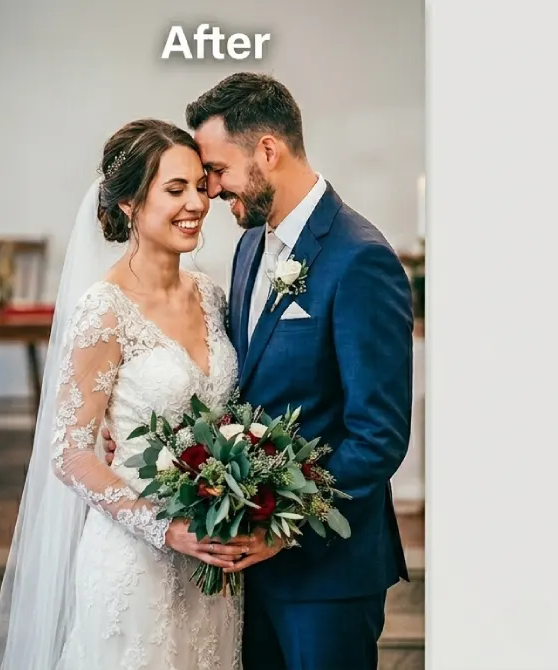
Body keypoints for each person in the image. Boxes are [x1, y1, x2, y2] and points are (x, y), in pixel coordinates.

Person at [103, 73, 414, 670]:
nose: (211, 191)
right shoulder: (250, 246)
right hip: (244, 572)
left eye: (217, 170)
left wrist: (282, 527)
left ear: (267, 150)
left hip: (326, 572)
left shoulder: (360, 258)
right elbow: (235, 386)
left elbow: (378, 436)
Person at [0, 118, 251, 670]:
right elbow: (69, 453)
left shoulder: (212, 296)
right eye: (174, 189)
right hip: (136, 561)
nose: (196, 203)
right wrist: (165, 528)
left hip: (211, 558)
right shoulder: (104, 309)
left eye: (199, 186)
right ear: (129, 203)